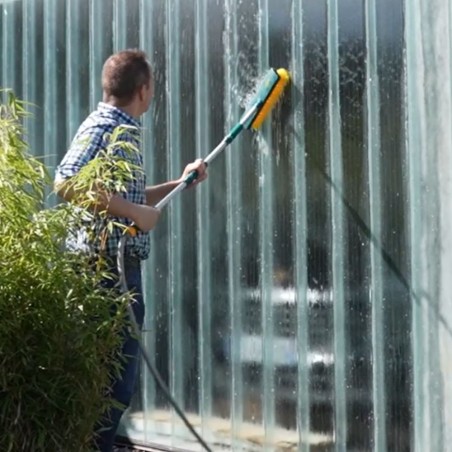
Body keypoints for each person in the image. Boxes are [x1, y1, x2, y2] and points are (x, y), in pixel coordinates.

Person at [54, 49, 207, 452]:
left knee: (110, 382)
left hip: (112, 268)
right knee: (113, 384)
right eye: (152, 87)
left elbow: (127, 198)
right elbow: (66, 181)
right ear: (144, 89)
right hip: (106, 271)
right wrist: (136, 213)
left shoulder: (114, 123)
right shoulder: (107, 126)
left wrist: (179, 184)